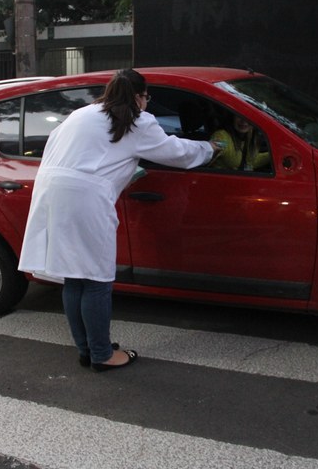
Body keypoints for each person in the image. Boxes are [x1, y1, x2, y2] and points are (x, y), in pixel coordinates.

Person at [18, 69, 220, 372]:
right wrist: (210, 149)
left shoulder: (82, 113)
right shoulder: (137, 121)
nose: (147, 103)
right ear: (140, 96)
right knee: (98, 279)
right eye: (147, 97)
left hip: (52, 192)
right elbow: (176, 152)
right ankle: (102, 354)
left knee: (74, 276)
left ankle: (87, 349)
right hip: (85, 199)